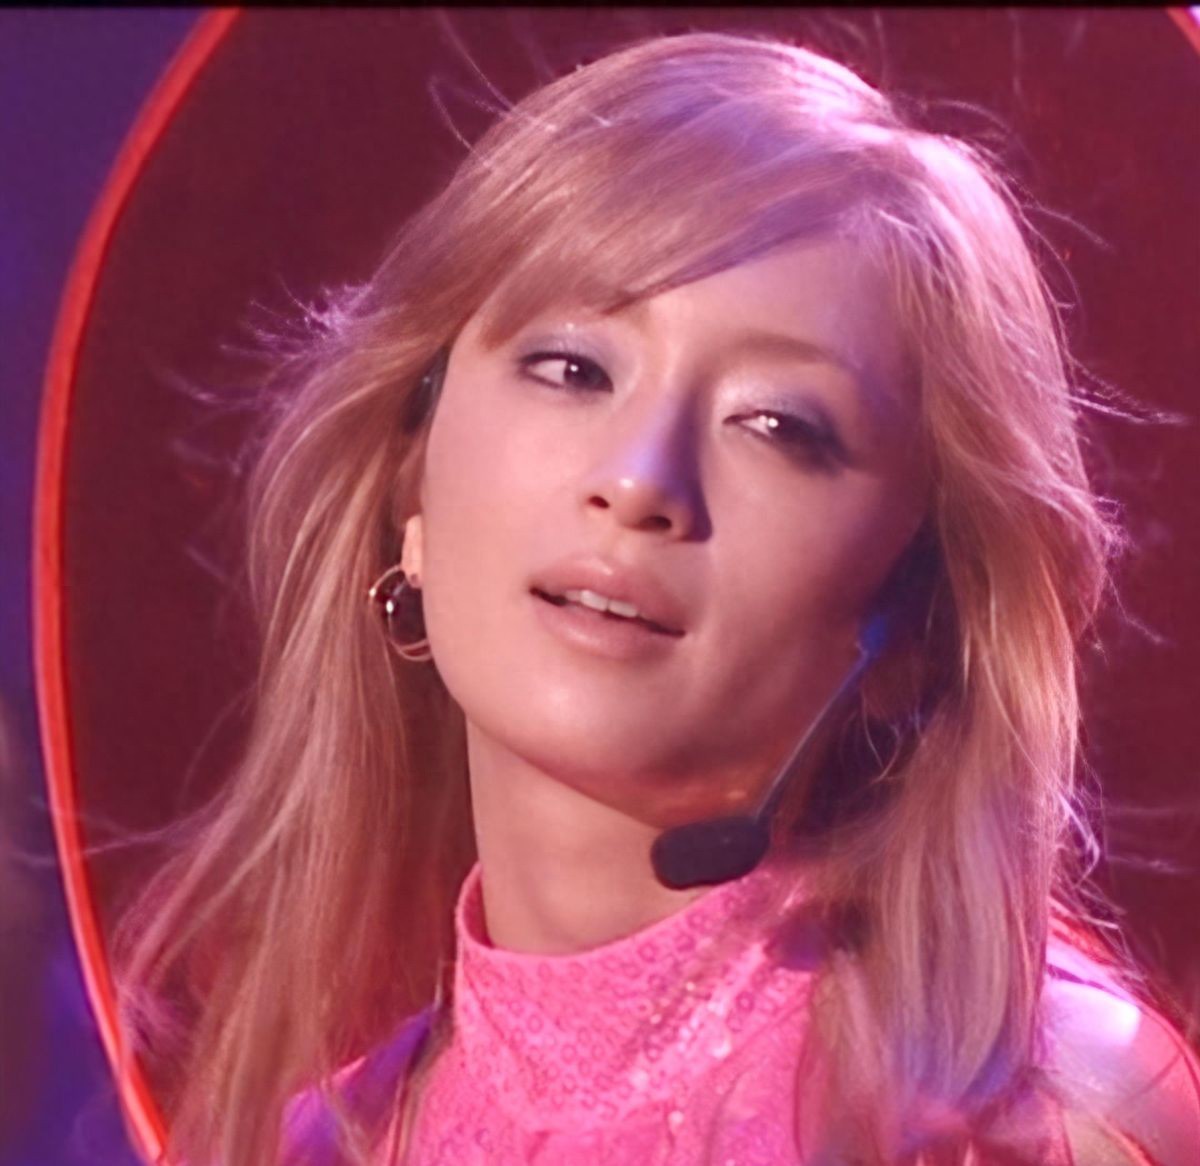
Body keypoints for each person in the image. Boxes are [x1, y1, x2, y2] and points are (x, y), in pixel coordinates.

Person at [109, 29, 1200, 1166]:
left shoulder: (1037, 1122)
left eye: (777, 425)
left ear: (923, 623)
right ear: (411, 496)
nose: (639, 482)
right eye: (573, 368)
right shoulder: (297, 1145)